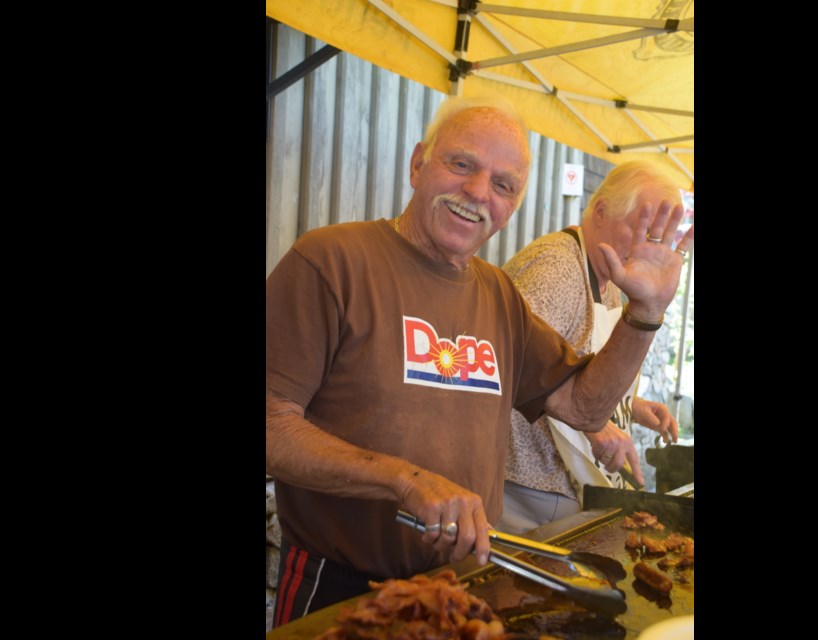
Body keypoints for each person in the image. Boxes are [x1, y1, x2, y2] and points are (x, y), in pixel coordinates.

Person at [266, 95, 694, 626]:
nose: (477, 193)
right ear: (419, 162)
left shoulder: (499, 296)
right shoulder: (330, 260)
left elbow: (584, 409)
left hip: (463, 584)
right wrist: (406, 480)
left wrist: (645, 313)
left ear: (513, 205)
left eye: (503, 184)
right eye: (461, 164)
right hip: (339, 582)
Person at [496, 161, 685, 535]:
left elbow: (580, 362)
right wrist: (595, 430)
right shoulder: (557, 266)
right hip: (529, 486)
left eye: (661, 237)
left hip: (566, 482)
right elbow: (510, 360)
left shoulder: (612, 275)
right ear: (601, 211)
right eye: (646, 228)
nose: (652, 246)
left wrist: (632, 407)